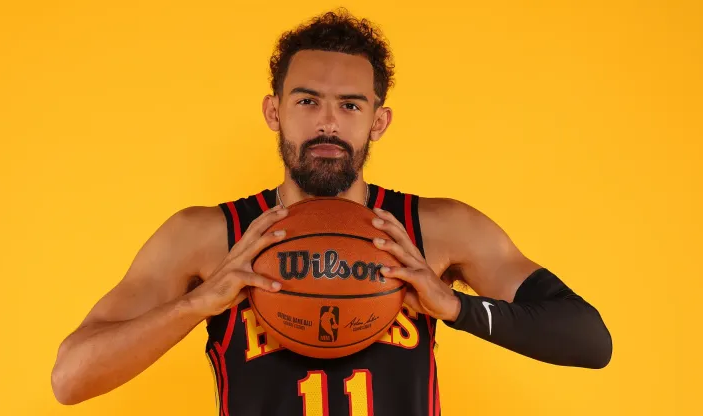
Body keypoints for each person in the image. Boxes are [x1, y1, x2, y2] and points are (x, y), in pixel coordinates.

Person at [51, 9, 612, 415]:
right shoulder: (207, 238)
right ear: (275, 111)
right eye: (306, 101)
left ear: (378, 121)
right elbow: (70, 379)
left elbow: (589, 340)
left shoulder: (437, 231)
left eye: (350, 105)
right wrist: (198, 302)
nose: (328, 123)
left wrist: (457, 307)